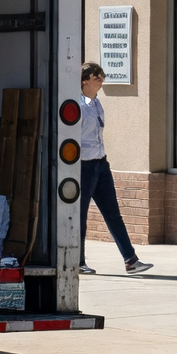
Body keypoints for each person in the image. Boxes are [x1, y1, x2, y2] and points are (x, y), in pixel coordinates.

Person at [72, 62, 150, 275]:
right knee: (80, 215)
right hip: (84, 165)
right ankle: (77, 261)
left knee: (113, 213)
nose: (100, 80)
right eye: (96, 76)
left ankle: (131, 260)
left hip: (100, 164)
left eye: (101, 76)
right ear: (84, 80)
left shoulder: (96, 103)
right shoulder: (76, 104)